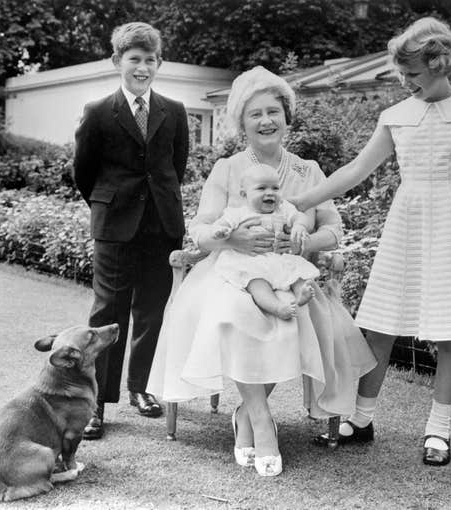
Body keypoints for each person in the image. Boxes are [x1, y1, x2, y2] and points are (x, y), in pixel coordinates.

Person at [291, 17, 451, 466]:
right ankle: (363, 418)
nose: (405, 82)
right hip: (408, 224)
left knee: (449, 329)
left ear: (440, 64)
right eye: (402, 74)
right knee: (381, 325)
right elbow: (355, 171)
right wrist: (301, 201)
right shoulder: (396, 117)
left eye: (412, 74)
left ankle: (439, 431)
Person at [146, 66, 376, 477]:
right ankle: (261, 420)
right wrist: (231, 241)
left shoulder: (308, 169)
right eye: (256, 114)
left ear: (287, 117)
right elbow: (198, 230)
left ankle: (245, 417)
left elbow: (334, 231)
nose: (267, 120)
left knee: (298, 314)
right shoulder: (227, 169)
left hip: (288, 271)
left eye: (274, 111)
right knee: (236, 315)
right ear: (242, 123)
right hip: (230, 272)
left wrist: (305, 241)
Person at [73, 21, 189, 439]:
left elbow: (176, 168)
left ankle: (141, 388)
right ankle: (97, 404)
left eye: (150, 60)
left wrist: (158, 208)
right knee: (108, 313)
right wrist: (111, 206)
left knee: (151, 310)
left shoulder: (173, 111)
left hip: (162, 225)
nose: (142, 68)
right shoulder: (99, 111)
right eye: (134, 60)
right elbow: (83, 173)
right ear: (117, 61)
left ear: (159, 63)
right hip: (114, 225)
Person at [212, 163, 318, 320]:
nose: (270, 193)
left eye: (275, 188)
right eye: (261, 188)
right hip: (250, 260)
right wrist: (223, 232)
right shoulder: (239, 213)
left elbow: (300, 217)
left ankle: (302, 293)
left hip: (278, 257)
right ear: (244, 194)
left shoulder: (284, 208)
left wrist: (300, 226)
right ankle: (278, 307)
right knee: (256, 283)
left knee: (297, 272)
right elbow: (221, 225)